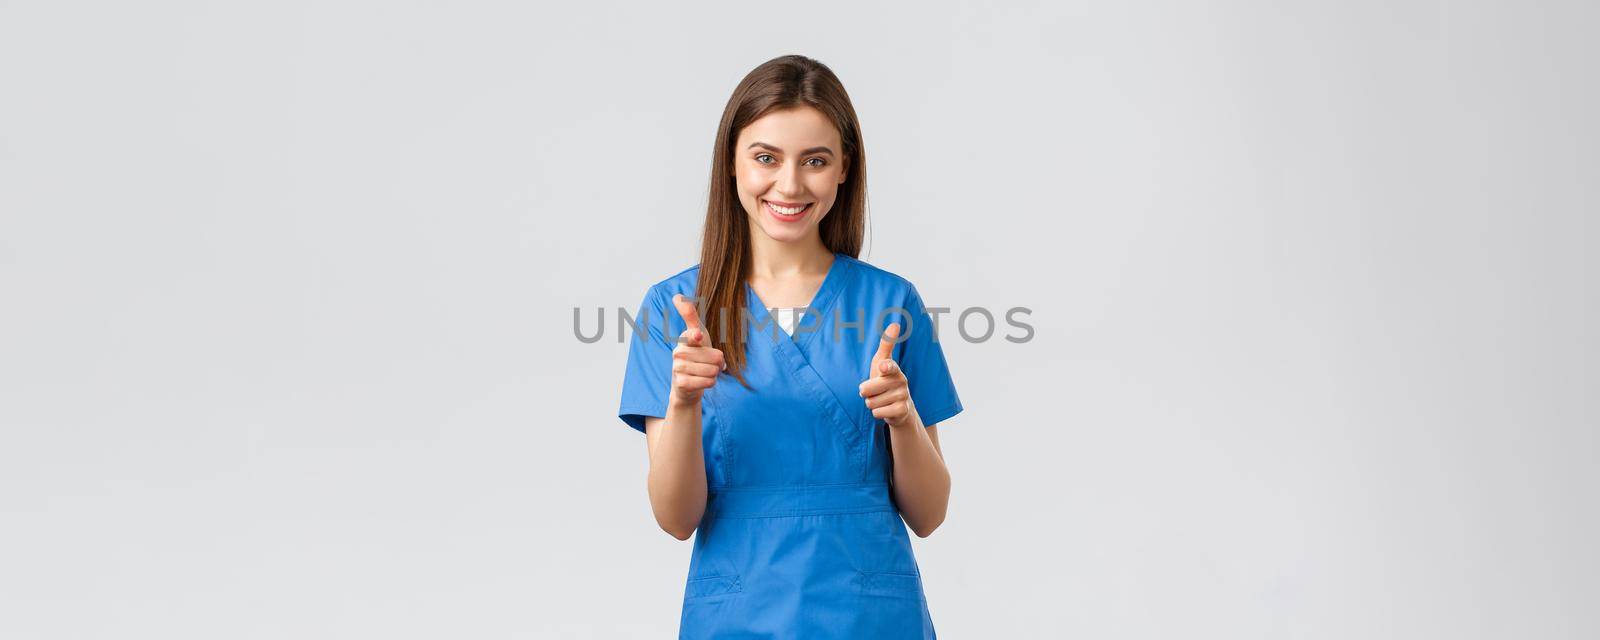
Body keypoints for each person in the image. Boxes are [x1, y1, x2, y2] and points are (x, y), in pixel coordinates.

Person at [617, 54, 963, 639]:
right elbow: (676, 520)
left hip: (870, 612)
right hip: (738, 611)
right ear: (732, 163)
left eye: (815, 161)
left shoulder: (890, 303)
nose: (790, 184)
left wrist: (903, 420)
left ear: (844, 169)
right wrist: (682, 403)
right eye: (766, 158)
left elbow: (929, 516)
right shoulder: (674, 310)